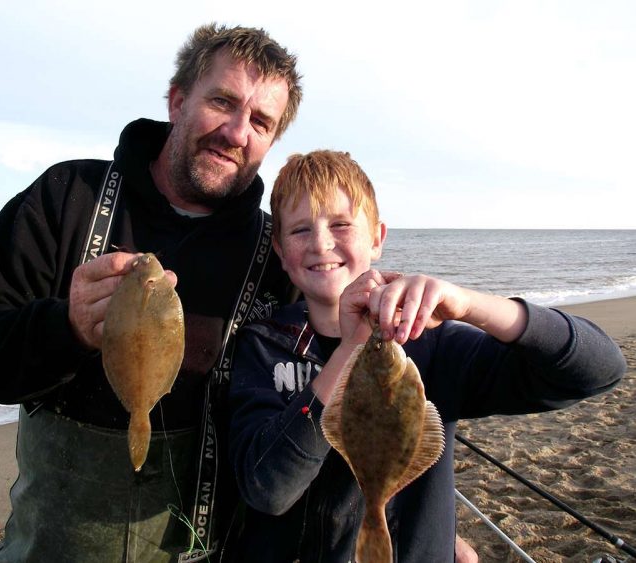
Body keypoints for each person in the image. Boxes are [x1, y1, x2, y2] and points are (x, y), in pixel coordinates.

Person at [0, 23, 302, 562]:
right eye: (222, 101)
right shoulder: (67, 199)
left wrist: (423, 521)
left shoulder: (278, 254)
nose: (236, 131)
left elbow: (313, 408)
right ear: (178, 101)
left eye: (261, 122)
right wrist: (64, 328)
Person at [227, 150, 626, 562]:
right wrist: (351, 348)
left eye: (342, 224)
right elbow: (267, 489)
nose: (321, 243)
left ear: (378, 238)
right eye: (300, 230)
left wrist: (468, 304)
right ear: (278, 248)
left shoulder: (430, 343)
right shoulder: (263, 346)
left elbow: (599, 369)